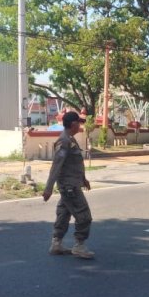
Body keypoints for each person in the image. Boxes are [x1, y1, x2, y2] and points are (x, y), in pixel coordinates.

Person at [43, 111, 95, 259]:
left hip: (71, 184)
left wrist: (83, 179)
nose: (80, 125)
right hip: (69, 187)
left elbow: (74, 163)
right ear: (73, 124)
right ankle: (79, 245)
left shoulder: (70, 139)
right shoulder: (64, 141)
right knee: (84, 216)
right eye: (78, 122)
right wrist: (48, 189)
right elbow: (56, 166)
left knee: (63, 214)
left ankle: (56, 244)